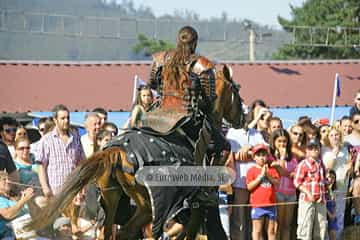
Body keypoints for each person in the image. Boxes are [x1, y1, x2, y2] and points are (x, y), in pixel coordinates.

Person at [35, 104, 86, 235]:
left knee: (75, 230)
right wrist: (45, 188)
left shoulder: (76, 138)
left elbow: (81, 163)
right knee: (59, 229)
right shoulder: (46, 140)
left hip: (73, 190)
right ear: (55, 120)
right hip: (55, 192)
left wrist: (82, 186)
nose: (66, 121)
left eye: (68, 118)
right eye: (62, 118)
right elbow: (41, 167)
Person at [226, 99, 267, 240]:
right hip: (240, 184)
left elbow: (266, 152)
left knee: (255, 221)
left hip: (258, 184)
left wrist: (249, 149)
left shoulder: (256, 133)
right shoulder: (232, 133)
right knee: (239, 220)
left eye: (245, 115)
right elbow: (234, 156)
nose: (242, 118)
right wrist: (251, 154)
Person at [294, 139, 327, 240]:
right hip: (307, 200)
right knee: (305, 226)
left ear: (319, 149)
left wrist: (327, 182)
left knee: (321, 227)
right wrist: (308, 193)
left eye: (316, 147)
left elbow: (322, 180)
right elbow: (297, 182)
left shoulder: (321, 163)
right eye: (310, 148)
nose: (314, 150)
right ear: (306, 151)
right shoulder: (303, 164)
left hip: (320, 200)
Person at [321, 126, 352, 237]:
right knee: (328, 216)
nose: (334, 137)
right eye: (332, 135)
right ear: (328, 137)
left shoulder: (345, 149)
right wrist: (335, 151)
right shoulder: (325, 150)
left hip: (342, 186)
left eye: (336, 134)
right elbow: (328, 167)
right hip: (329, 187)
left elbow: (348, 165)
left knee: (340, 216)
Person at [268, 129, 298, 240]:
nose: (282, 144)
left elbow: (295, 173)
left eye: (284, 141)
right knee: (277, 225)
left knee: (287, 225)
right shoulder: (271, 156)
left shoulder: (293, 157)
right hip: (278, 192)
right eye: (279, 141)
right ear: (274, 141)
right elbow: (280, 172)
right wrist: (282, 157)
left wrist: (290, 173)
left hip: (291, 193)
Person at [246, 144, 279, 240]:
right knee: (257, 230)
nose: (262, 158)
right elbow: (249, 187)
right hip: (258, 205)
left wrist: (267, 175)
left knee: (272, 230)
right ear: (254, 157)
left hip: (271, 204)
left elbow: (277, 182)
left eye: (264, 155)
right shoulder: (251, 171)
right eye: (259, 155)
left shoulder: (272, 170)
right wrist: (260, 176)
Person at [0, 170, 41, 239]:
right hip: (12, 235)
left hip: (30, 232)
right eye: (4, 179)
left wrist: (29, 199)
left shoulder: (18, 195)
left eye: (9, 179)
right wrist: (24, 200)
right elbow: (8, 214)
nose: (8, 181)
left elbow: (36, 214)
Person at [326, 169, 338, 240]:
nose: (331, 179)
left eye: (333, 177)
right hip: (325, 215)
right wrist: (329, 214)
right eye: (330, 177)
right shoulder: (323, 190)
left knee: (333, 236)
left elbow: (334, 205)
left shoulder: (332, 191)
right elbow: (323, 203)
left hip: (332, 217)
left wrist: (333, 214)